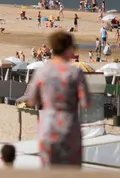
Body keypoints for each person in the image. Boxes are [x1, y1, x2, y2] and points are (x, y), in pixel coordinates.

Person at [23, 31, 90, 167]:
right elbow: (86, 103)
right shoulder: (76, 73)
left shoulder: (42, 72)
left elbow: (31, 100)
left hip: (48, 126)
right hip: (69, 126)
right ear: (68, 49)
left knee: (48, 169)